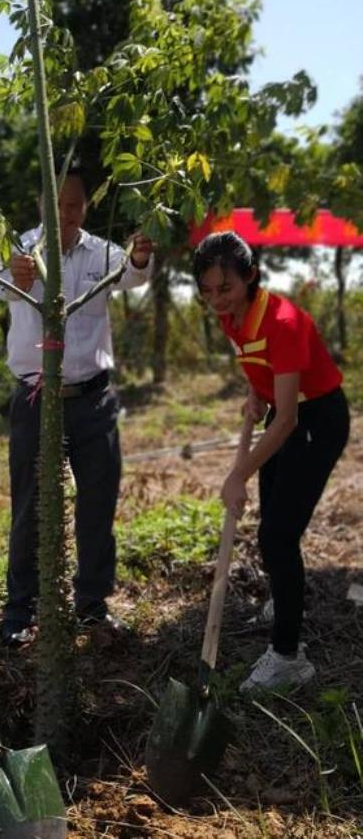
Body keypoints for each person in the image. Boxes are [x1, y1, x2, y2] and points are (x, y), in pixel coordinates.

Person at [0, 168, 153, 646]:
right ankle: (20, 609)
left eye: (75, 205)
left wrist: (141, 258)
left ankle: (92, 607)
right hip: (37, 399)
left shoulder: (101, 253)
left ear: (85, 207)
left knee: (98, 503)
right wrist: (14, 273)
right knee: (30, 507)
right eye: (57, 204)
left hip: (94, 399)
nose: (65, 214)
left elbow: (134, 277)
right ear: (42, 205)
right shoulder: (19, 251)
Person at [192, 231, 349, 693]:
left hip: (316, 421)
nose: (216, 300)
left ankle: (288, 657)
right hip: (283, 414)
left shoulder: (281, 320)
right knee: (273, 527)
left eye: (226, 288)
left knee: (278, 535)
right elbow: (260, 368)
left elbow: (289, 418)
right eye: (207, 290)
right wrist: (254, 392)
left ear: (251, 278)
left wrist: (238, 472)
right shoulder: (232, 317)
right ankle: (287, 598)